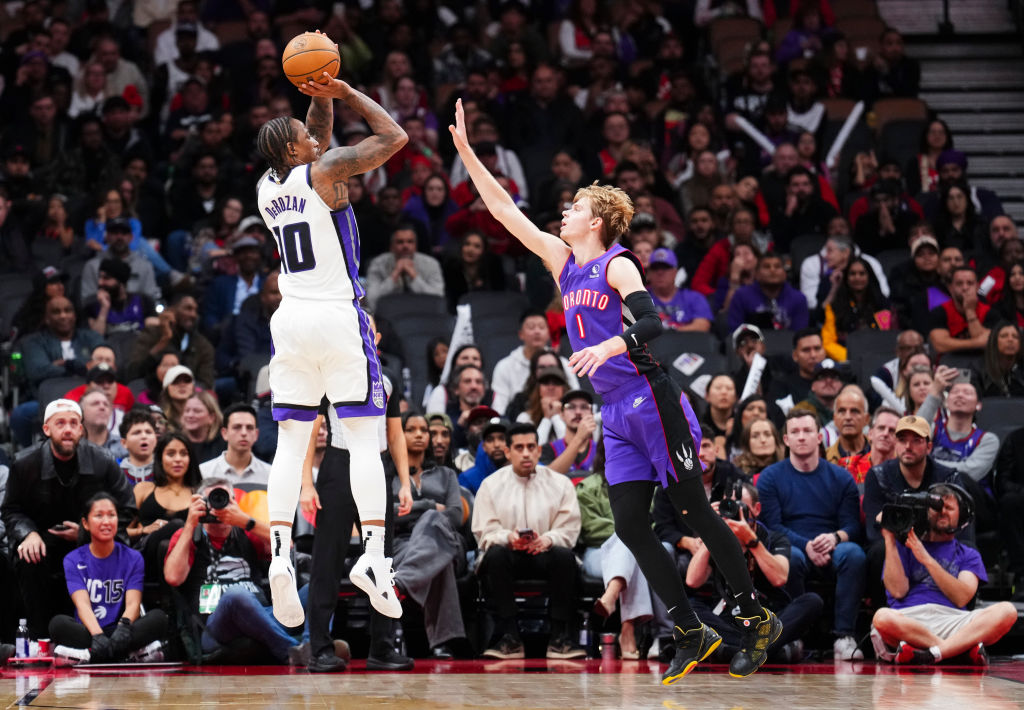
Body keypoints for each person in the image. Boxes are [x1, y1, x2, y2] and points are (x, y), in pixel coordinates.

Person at [451, 98, 778, 683]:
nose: (564, 213)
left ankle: (756, 619)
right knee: (628, 524)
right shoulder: (563, 262)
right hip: (615, 413)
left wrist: (609, 346)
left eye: (574, 208)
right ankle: (688, 627)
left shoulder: (617, 265)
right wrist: (469, 156)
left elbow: (653, 323)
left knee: (694, 511)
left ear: (596, 221)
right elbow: (504, 211)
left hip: (653, 399)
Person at [253, 62, 408, 628]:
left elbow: (316, 133)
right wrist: (347, 91)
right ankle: (372, 556)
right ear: (299, 150)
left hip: (289, 319)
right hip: (338, 315)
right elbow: (395, 137)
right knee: (364, 438)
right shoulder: (328, 172)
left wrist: (316, 98)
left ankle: (277, 555)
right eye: (305, 135)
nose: (314, 135)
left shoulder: (268, 186)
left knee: (292, 444)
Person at [3, 399, 136, 638]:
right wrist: (28, 533)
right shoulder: (24, 462)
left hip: (90, 539)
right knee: (29, 557)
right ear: (47, 429)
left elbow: (127, 507)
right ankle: (39, 638)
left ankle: (104, 634)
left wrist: (90, 532)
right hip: (41, 539)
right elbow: (11, 509)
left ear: (81, 429)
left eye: (74, 423)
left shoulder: (102, 459)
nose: (68, 429)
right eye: (60, 423)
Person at [756, 409, 865, 660]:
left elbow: (852, 526)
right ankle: (793, 635)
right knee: (789, 558)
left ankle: (844, 636)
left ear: (819, 437)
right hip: (792, 546)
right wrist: (807, 546)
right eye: (795, 432)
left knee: (855, 555)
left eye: (807, 431)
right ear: (786, 440)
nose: (801, 437)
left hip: (833, 545)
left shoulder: (840, 477)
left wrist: (835, 538)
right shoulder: (770, 478)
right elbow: (771, 527)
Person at [163, 478, 308, 665]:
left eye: (225, 499)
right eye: (212, 500)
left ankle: (313, 647)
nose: (218, 506)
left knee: (318, 588)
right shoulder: (189, 535)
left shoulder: (246, 530)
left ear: (235, 503)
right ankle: (289, 650)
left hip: (263, 615)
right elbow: (173, 577)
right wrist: (190, 524)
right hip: (216, 627)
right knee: (237, 595)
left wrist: (246, 521)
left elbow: (287, 547)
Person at [473, 423, 585, 660]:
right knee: (494, 556)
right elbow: (484, 532)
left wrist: (548, 539)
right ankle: (510, 636)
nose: (525, 453)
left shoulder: (560, 483)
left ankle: (559, 637)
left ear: (538, 450)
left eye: (531, 447)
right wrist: (508, 537)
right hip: (509, 553)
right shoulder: (490, 485)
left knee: (565, 556)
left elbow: (570, 528)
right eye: (519, 447)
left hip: (546, 552)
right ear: (508, 452)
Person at [871, 484, 1016, 665]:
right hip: (909, 620)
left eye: (949, 508)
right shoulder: (902, 546)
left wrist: (926, 558)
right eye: (937, 507)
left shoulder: (968, 554)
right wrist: (889, 538)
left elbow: (962, 597)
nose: (942, 512)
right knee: (882, 617)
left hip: (953, 620)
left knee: (1007, 611)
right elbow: (897, 592)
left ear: (961, 516)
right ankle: (955, 650)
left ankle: (929, 653)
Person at [685, 482, 824, 663]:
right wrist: (710, 530)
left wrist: (751, 540)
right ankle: (764, 651)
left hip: (769, 620)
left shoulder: (774, 538)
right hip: (728, 622)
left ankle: (733, 652)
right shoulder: (715, 538)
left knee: (812, 601)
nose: (734, 511)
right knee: (688, 609)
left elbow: (779, 578)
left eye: (740, 505)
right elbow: (692, 581)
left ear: (756, 509)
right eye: (729, 506)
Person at [50, 493, 168, 664]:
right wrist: (97, 635)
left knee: (159, 618)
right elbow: (82, 604)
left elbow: (133, 604)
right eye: (99, 515)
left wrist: (122, 630)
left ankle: (89, 656)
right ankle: (129, 655)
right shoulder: (73, 559)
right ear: (85, 523)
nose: (106, 521)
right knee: (58, 625)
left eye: (111, 515)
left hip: (121, 629)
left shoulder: (133, 557)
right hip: (89, 631)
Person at [491, 310, 577, 415]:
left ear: (549, 333)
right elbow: (499, 409)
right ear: (521, 334)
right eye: (531, 327)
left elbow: (575, 398)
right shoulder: (504, 366)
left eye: (541, 327)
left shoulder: (563, 364)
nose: (537, 331)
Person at [364, 224, 446, 310]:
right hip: (387, 315)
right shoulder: (378, 264)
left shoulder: (431, 264)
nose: (405, 246)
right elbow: (371, 301)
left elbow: (438, 300)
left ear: (416, 246)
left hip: (422, 314)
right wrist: (394, 275)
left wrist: (414, 277)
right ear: (391, 246)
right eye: (400, 242)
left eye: (410, 242)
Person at [727, 252, 809, 332]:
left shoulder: (798, 299)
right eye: (766, 267)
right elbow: (735, 331)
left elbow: (800, 334)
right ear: (756, 274)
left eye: (777, 266)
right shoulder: (741, 296)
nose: (772, 270)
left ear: (784, 274)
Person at [199, 404, 271, 486]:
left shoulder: (271, 474)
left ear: (256, 434)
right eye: (237, 427)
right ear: (224, 433)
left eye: (249, 428)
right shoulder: (204, 472)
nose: (244, 433)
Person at [928, 267, 991, 356]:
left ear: (977, 287)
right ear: (950, 288)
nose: (965, 288)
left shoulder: (989, 311)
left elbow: (990, 344)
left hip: (982, 362)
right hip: (948, 363)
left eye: (970, 283)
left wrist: (970, 311)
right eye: (959, 283)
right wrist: (977, 343)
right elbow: (940, 345)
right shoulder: (940, 311)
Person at [540, 389, 598, 477]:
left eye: (584, 407)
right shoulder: (548, 449)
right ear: (561, 415)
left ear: (592, 415)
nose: (578, 412)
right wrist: (579, 438)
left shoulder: (602, 450)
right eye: (571, 407)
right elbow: (546, 478)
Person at [972, 321, 1024, 397]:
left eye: (1015, 337)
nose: (1010, 340)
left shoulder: (1021, 367)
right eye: (1004, 336)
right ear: (994, 341)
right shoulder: (978, 368)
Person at [119, 408, 157, 485]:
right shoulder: (115, 473)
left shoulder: (166, 470)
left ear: (156, 440)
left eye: (148, 432)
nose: (144, 436)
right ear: (124, 443)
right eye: (137, 433)